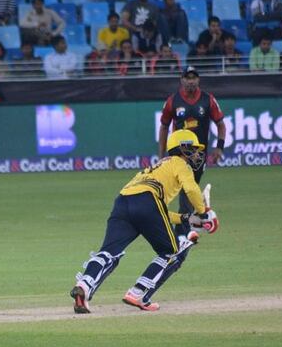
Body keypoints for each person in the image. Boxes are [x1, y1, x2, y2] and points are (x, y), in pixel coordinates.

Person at [69, 129, 217, 314]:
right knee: (172, 252)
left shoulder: (157, 168)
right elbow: (191, 189)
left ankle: (84, 285)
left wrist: (186, 218)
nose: (197, 154)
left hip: (123, 201)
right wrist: (204, 213)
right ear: (183, 148)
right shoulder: (179, 163)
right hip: (148, 201)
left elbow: (157, 211)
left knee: (109, 252)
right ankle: (138, 293)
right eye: (194, 149)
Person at [158, 67, 226, 239]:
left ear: (198, 80)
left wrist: (219, 147)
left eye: (194, 78)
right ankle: (181, 230)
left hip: (198, 155)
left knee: (189, 190)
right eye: (187, 78)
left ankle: (181, 229)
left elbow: (221, 124)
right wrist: (161, 154)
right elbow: (164, 127)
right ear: (181, 80)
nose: (191, 81)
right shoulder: (173, 101)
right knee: (182, 189)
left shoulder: (207, 100)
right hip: (178, 155)